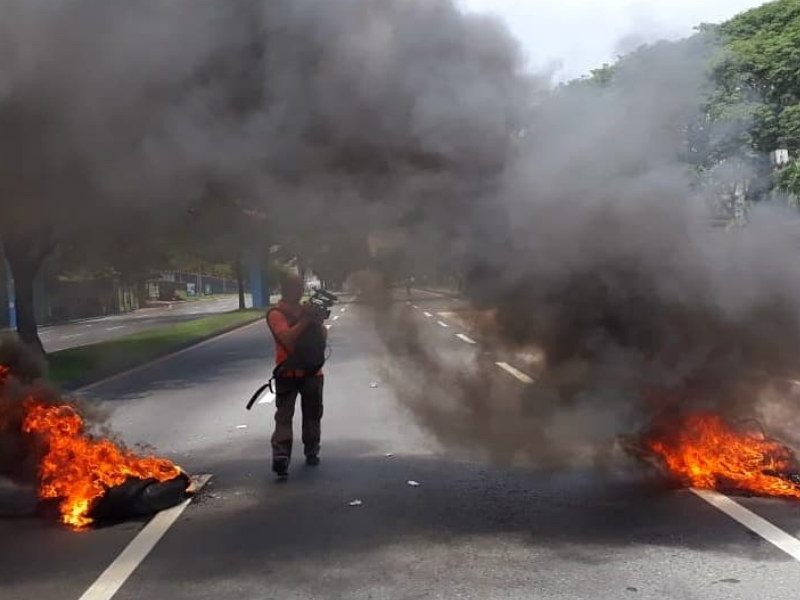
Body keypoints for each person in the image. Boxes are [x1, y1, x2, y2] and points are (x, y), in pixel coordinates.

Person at [266, 274, 326, 477]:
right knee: (284, 417)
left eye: (301, 288)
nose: (299, 291)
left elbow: (323, 336)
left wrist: (316, 321)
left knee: (312, 416)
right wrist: (306, 320)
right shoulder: (276, 313)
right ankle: (281, 457)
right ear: (286, 289)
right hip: (288, 373)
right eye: (296, 288)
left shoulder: (306, 310)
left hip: (312, 371)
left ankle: (312, 451)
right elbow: (286, 338)